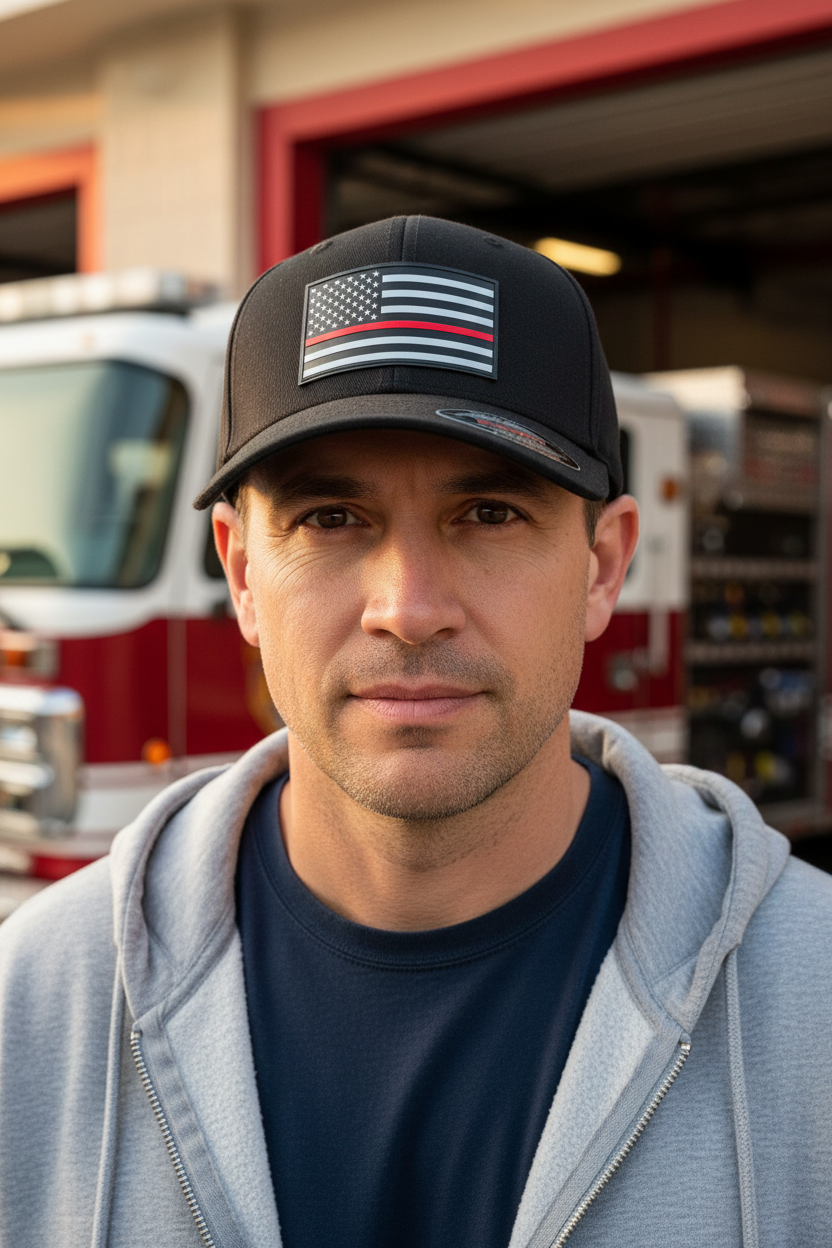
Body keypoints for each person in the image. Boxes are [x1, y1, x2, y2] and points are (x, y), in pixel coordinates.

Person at [1, 216, 831, 1248]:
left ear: (605, 564)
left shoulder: (814, 1000)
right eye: (330, 519)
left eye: (488, 512)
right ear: (242, 568)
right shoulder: (34, 1004)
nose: (408, 605)